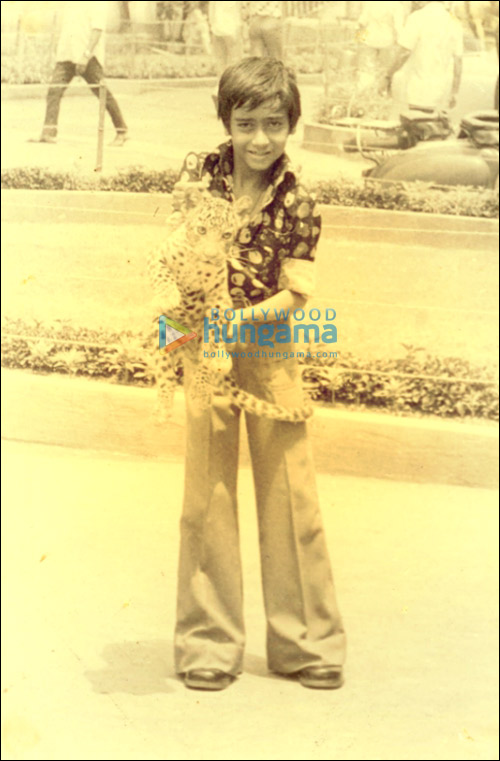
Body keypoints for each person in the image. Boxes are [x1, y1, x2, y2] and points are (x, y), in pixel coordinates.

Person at [164, 57, 346, 692]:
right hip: (203, 346)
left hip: (267, 347)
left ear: (292, 124)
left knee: (290, 495)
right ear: (227, 122)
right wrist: (179, 328)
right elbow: (176, 253)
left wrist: (232, 327)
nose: (261, 139)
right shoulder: (198, 173)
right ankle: (209, 644)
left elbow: (298, 293)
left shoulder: (300, 197)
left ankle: (307, 644)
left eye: (274, 124)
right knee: (206, 496)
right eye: (247, 123)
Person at [37, 0, 127, 145]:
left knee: (103, 94)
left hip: (88, 57)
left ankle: (122, 131)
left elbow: (97, 30)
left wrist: (86, 55)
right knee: (54, 90)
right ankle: (49, 131)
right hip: (67, 56)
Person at [385, 0, 463, 115]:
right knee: (430, 125)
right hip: (440, 87)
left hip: (418, 86)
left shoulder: (417, 18)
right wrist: (454, 92)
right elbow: (458, 61)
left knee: (417, 124)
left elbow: (404, 53)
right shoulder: (454, 23)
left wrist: (388, 75)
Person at [356, 1, 407, 84]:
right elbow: (398, 27)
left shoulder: (370, 3)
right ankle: (381, 91)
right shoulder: (396, 5)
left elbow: (362, 23)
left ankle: (365, 91)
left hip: (369, 39)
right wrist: (402, 43)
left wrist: (358, 39)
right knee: (384, 71)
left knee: (367, 70)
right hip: (387, 41)